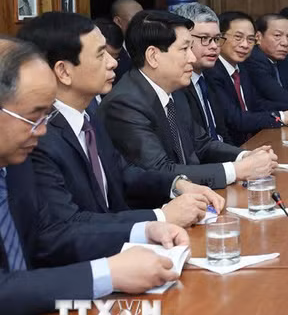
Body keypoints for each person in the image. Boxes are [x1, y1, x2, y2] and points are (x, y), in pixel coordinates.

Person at [0, 36, 191, 315]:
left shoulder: (15, 161)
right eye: (34, 116)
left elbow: (51, 235)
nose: (41, 131)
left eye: (46, 115)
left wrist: (146, 230)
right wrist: (107, 274)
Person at [18, 12, 222, 228]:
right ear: (63, 71)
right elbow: (69, 225)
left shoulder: (89, 118)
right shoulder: (40, 137)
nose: (113, 63)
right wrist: (159, 218)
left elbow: (123, 173)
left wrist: (178, 184)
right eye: (100, 55)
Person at [98, 10, 278, 189]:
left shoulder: (174, 89)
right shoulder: (125, 103)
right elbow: (160, 170)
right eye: (185, 49)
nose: (192, 58)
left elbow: (201, 144)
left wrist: (245, 156)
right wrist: (236, 170)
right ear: (153, 56)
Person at [205, 11, 288, 146]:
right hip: (232, 148)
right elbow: (236, 119)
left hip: (253, 142)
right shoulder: (212, 71)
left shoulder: (242, 67)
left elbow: (257, 104)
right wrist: (284, 116)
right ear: (219, 38)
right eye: (238, 37)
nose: (245, 45)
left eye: (250, 39)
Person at [171, 3, 234, 144]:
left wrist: (241, 155)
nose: (213, 46)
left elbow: (222, 132)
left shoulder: (211, 75)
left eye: (217, 39)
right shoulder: (175, 85)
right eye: (204, 38)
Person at [110, 0, 143, 85]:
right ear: (118, 21)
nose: (142, 24)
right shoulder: (111, 51)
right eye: (135, 19)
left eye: (143, 18)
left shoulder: (149, 46)